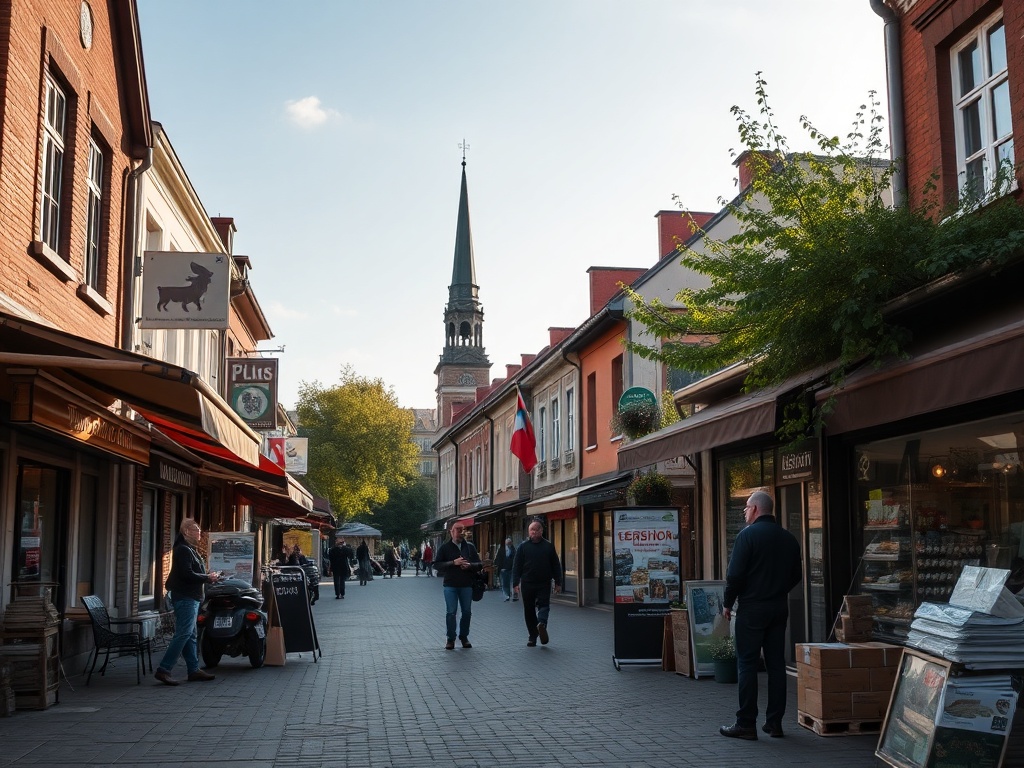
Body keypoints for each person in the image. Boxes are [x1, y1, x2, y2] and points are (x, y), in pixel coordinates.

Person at [719, 490, 802, 741]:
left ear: (755, 509)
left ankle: (746, 723)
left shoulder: (748, 536)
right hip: (778, 608)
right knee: (777, 664)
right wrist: (777, 592)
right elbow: (796, 575)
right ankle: (774, 723)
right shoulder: (789, 539)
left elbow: (735, 575)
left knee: (747, 663)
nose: (744, 512)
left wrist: (728, 602)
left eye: (746, 507)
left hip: (752, 608)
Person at [155, 518, 220, 685]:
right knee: (183, 633)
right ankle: (164, 669)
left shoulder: (189, 549)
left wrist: (208, 576)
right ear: (186, 532)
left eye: (199, 529)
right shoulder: (183, 550)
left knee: (191, 635)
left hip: (191, 597)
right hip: (186, 597)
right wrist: (207, 577)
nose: (200, 532)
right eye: (196, 529)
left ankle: (193, 669)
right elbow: (187, 574)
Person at [512, 521, 562, 647]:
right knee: (529, 610)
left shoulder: (548, 546)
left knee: (544, 605)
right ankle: (532, 636)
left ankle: (541, 624)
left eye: (535, 529)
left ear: (541, 531)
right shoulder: (523, 547)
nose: (533, 532)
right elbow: (516, 566)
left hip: (544, 582)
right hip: (527, 583)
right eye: (531, 530)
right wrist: (515, 583)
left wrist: (558, 582)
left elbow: (556, 565)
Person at [434, 523, 482, 649]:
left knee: (466, 612)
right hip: (450, 585)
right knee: (451, 612)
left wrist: (470, 565)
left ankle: (464, 637)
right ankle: (450, 639)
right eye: (458, 530)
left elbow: (479, 564)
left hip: (466, 585)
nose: (461, 533)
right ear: (451, 532)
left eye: (463, 531)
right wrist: (453, 563)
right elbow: (437, 565)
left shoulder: (470, 547)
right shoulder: (445, 548)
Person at [493, 537, 517, 602]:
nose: (509, 544)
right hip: (503, 569)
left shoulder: (513, 549)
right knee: (505, 583)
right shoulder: (501, 549)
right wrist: (499, 567)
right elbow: (498, 558)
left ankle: (510, 595)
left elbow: (515, 558)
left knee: (511, 582)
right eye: (508, 543)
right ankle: (507, 595)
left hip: (511, 569)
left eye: (510, 543)